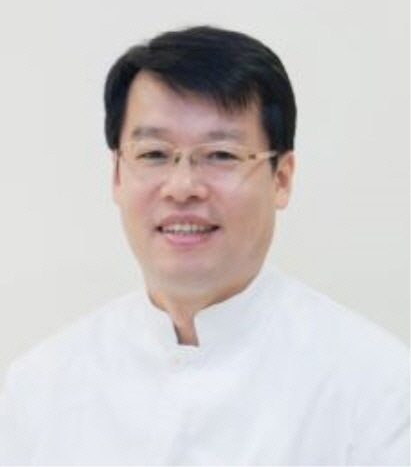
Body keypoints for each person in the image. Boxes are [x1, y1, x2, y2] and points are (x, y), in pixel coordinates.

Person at [0, 26, 408, 466]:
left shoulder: (378, 388)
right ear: (117, 174)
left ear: (281, 178)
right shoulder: (38, 389)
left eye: (221, 155)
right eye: (154, 154)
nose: (182, 187)